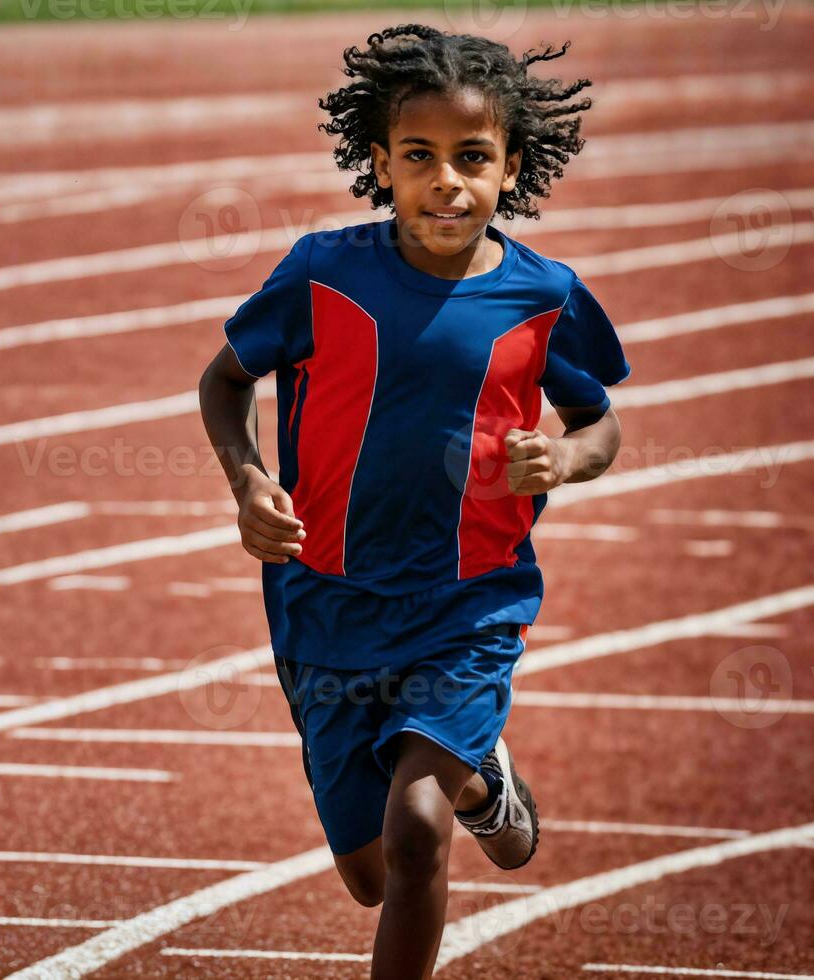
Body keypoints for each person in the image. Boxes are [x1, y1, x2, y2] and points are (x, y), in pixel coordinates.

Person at [197, 24, 631, 979]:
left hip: (470, 601)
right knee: (368, 875)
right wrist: (248, 481)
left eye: (473, 158)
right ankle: (485, 778)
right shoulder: (322, 274)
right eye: (420, 157)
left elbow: (599, 422)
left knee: (417, 830)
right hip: (324, 597)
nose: (448, 181)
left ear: (512, 165)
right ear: (380, 164)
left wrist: (564, 461)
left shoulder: (542, 296)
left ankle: (452, 783)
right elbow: (223, 381)